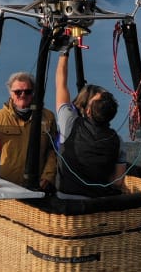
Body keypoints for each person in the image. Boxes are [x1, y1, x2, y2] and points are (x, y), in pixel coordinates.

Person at [53, 51, 127, 199]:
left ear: (87, 110)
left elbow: (61, 85)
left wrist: (63, 53)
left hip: (66, 199)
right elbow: (117, 182)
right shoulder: (117, 141)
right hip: (96, 204)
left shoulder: (70, 124)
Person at [0, 72, 57, 190]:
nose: (22, 95)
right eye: (18, 92)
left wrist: (48, 177)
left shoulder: (48, 117)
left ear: (33, 93)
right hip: (5, 187)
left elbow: (54, 151)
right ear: (11, 93)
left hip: (36, 187)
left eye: (27, 91)